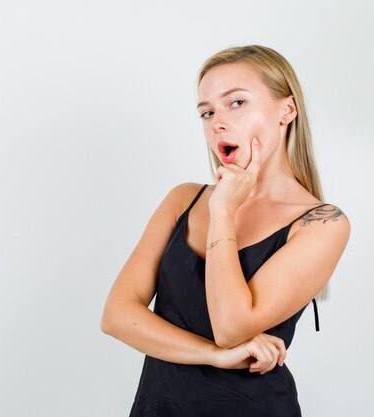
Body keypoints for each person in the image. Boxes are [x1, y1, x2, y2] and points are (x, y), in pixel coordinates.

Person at [100, 45, 351, 416]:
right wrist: (214, 356)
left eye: (236, 103)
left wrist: (223, 209)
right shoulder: (182, 200)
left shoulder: (322, 223)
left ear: (287, 110)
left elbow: (231, 327)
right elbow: (117, 316)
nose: (218, 122)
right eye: (207, 111)